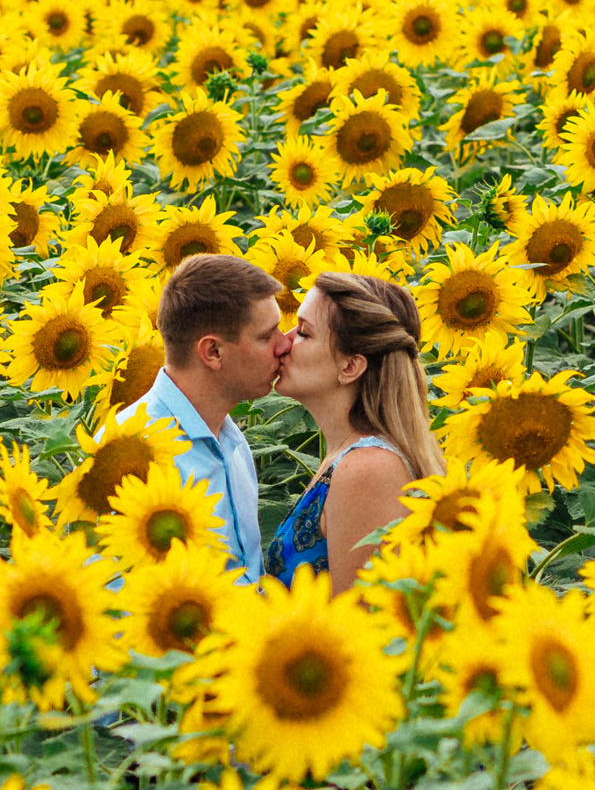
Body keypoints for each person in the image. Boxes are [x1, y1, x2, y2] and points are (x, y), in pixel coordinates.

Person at [265, 271, 446, 591]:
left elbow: (359, 616)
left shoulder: (368, 469)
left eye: (304, 332)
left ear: (350, 367)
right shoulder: (351, 456)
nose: (284, 342)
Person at [122, 253, 287, 582]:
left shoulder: (231, 441)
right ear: (213, 352)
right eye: (267, 335)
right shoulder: (131, 456)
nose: (284, 345)